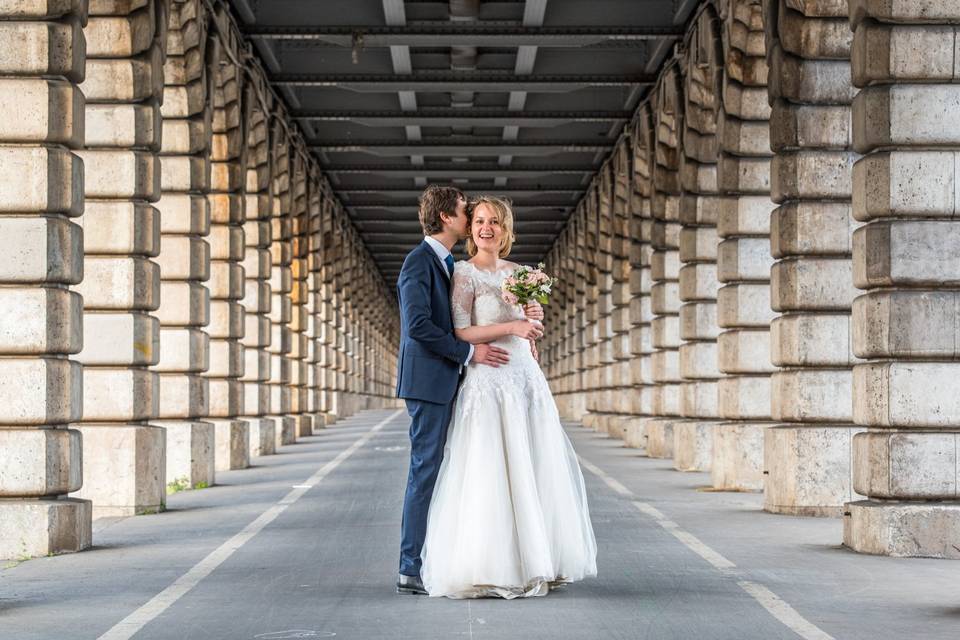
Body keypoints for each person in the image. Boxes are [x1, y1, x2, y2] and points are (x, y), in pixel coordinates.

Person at [419, 195, 597, 599]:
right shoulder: (463, 273)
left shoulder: (521, 272)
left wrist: (532, 322)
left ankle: (537, 559)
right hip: (489, 375)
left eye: (495, 221)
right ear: (471, 229)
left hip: (524, 376)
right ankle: (491, 563)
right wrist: (512, 328)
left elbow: (531, 322)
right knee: (490, 465)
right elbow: (460, 331)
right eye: (479, 220)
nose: (486, 227)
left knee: (533, 461)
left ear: (506, 228)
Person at [395, 186, 544, 595]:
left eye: (488, 219)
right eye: (468, 213)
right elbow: (420, 326)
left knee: (466, 467)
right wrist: (468, 352)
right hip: (430, 381)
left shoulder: (445, 263)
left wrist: (529, 317)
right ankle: (410, 566)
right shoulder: (419, 262)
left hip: (464, 377)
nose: (474, 221)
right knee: (425, 470)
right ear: (447, 217)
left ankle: (482, 555)